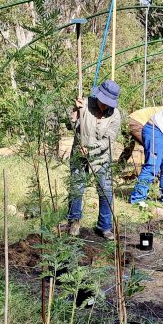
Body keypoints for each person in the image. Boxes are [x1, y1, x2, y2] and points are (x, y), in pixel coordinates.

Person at [66, 80, 122, 238]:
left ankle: (104, 227)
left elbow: (109, 140)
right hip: (79, 155)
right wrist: (75, 110)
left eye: (108, 103)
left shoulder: (115, 114)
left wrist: (90, 149)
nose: (104, 105)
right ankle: (74, 222)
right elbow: (70, 126)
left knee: (105, 191)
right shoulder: (84, 104)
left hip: (101, 157)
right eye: (103, 101)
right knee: (76, 188)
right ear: (97, 95)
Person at [118, 104, 161, 169]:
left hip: (127, 121)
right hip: (136, 123)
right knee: (151, 147)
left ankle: (118, 169)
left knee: (128, 148)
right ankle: (150, 171)